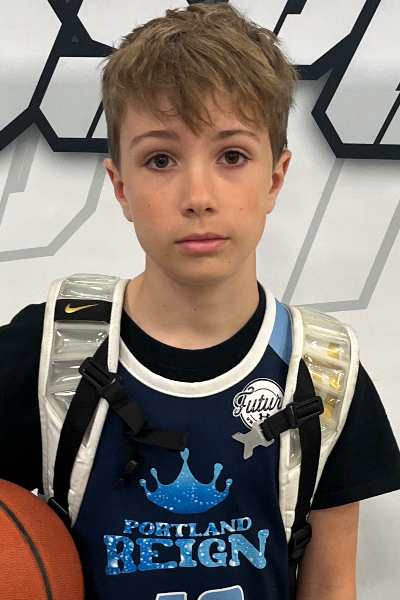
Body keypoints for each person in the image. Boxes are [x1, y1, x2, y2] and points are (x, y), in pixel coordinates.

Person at [1, 3, 400, 600]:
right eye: (160, 159)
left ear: (275, 178)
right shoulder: (44, 355)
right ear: (120, 186)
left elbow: (330, 586)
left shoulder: (322, 374)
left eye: (232, 156)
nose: (198, 196)